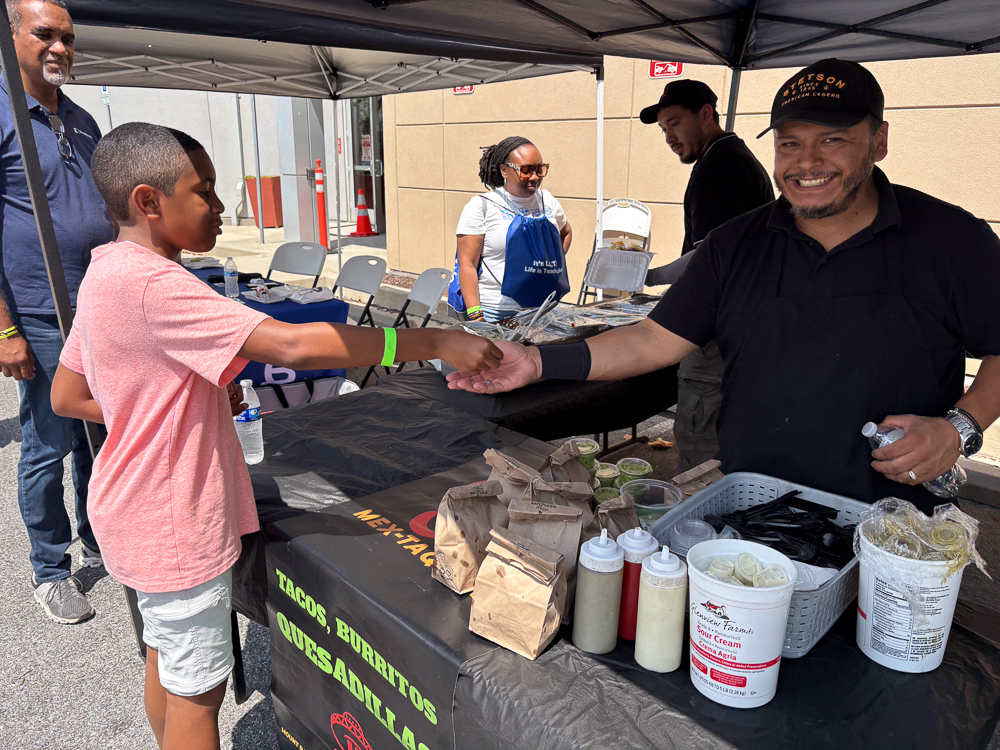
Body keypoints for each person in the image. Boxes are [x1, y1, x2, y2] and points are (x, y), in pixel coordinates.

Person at [49, 122, 501, 750]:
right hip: (175, 521)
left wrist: (176, 400)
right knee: (197, 695)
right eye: (202, 190)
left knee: (165, 656)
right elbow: (290, 342)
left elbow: (68, 395)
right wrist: (431, 340)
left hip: (128, 507)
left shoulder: (103, 274)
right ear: (149, 201)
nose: (220, 205)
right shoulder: (157, 284)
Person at [447, 59, 1000, 515]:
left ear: (878, 140)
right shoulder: (737, 244)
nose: (807, 163)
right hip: (752, 506)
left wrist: (960, 426)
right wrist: (540, 364)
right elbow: (652, 339)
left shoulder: (951, 239)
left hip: (895, 520)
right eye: (789, 144)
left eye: (833, 140)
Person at [0, 0, 114, 624]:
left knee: (96, 433)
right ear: (11, 35)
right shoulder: (1, 113)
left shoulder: (81, 119)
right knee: (49, 438)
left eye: (68, 38)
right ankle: (50, 566)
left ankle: (99, 535)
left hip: (93, 304)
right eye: (46, 34)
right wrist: (5, 329)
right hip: (38, 311)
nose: (60, 48)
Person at [639, 79, 774, 472]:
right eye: (664, 129)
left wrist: (648, 277)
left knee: (700, 441)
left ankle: (694, 528)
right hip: (739, 322)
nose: (669, 137)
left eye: (675, 123)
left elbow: (705, 255)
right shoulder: (732, 156)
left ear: (705, 114)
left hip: (717, 329)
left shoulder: (720, 166)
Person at [450, 136, 572, 323]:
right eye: (526, 170)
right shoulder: (481, 207)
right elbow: (467, 265)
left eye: (540, 169)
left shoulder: (548, 202)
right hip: (496, 312)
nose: (535, 176)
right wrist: (476, 315)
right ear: (504, 171)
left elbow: (566, 233)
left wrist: (547, 266)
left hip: (542, 311)